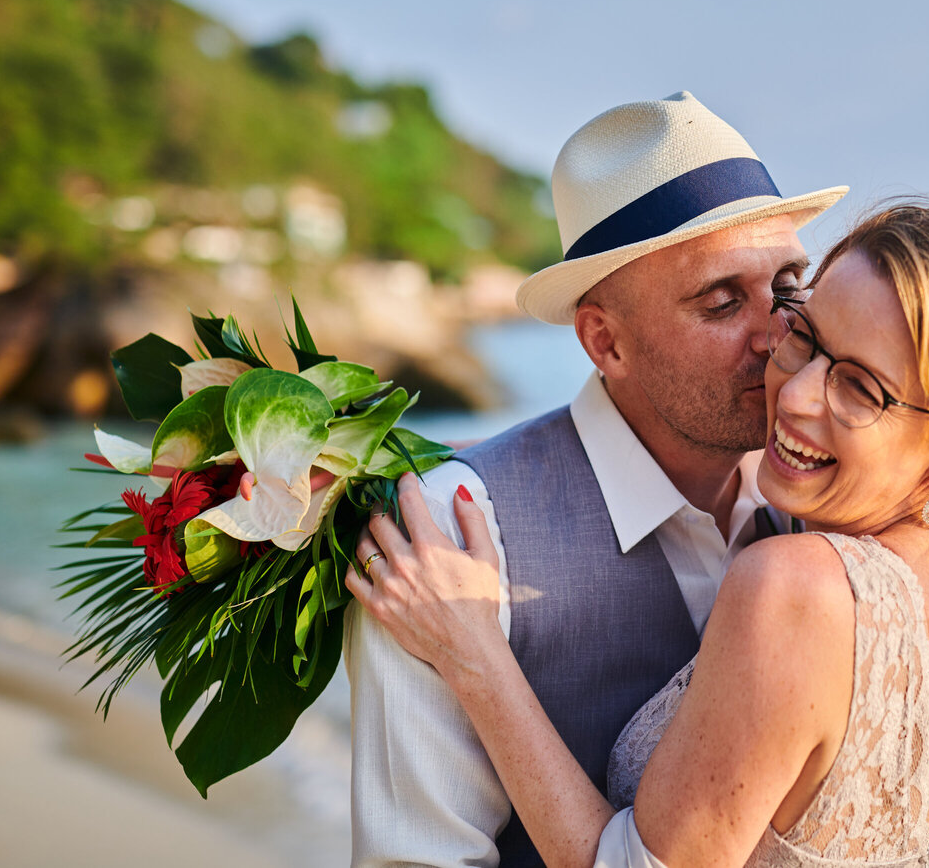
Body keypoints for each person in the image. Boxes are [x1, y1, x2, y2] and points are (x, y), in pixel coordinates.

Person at [348, 201, 929, 867]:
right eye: (807, 329)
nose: (785, 383)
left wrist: (478, 658)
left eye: (859, 386)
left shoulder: (794, 579)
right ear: (604, 341)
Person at [342, 90, 849, 866]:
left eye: (786, 286)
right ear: (605, 342)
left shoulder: (832, 497)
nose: (777, 333)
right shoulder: (451, 530)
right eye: (720, 302)